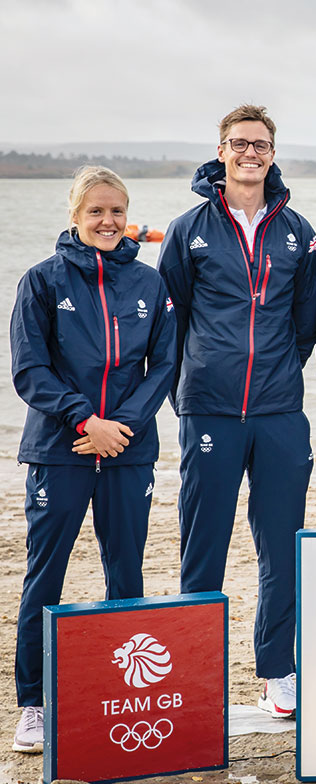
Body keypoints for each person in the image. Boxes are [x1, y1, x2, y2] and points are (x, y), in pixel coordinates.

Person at [158, 105, 316, 719]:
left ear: (273, 153)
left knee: (282, 545)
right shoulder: (188, 228)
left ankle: (279, 671)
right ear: (221, 151)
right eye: (239, 143)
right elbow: (169, 319)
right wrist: (188, 389)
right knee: (204, 547)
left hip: (279, 411)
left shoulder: (297, 230)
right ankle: (196, 679)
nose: (250, 153)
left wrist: (278, 373)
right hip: (210, 410)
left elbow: (305, 322)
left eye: (260, 144)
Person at [10, 166, 175, 752]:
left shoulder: (150, 285)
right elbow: (30, 371)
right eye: (94, 212)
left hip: (127, 452)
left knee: (126, 574)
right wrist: (86, 420)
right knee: (45, 576)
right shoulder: (40, 282)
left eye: (116, 211)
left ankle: (121, 693)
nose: (107, 222)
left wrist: (121, 428)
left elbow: (164, 367)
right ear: (74, 217)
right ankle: (32, 704)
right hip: (61, 449)